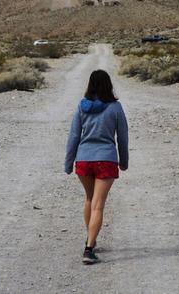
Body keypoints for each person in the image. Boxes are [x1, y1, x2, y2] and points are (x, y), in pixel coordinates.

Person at [64, 69, 129, 264]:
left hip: (83, 160)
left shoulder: (82, 107)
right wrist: (124, 162)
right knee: (98, 205)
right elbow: (122, 137)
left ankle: (90, 238)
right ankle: (89, 248)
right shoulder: (115, 108)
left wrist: (68, 164)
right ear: (108, 85)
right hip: (106, 160)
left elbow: (74, 136)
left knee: (89, 199)